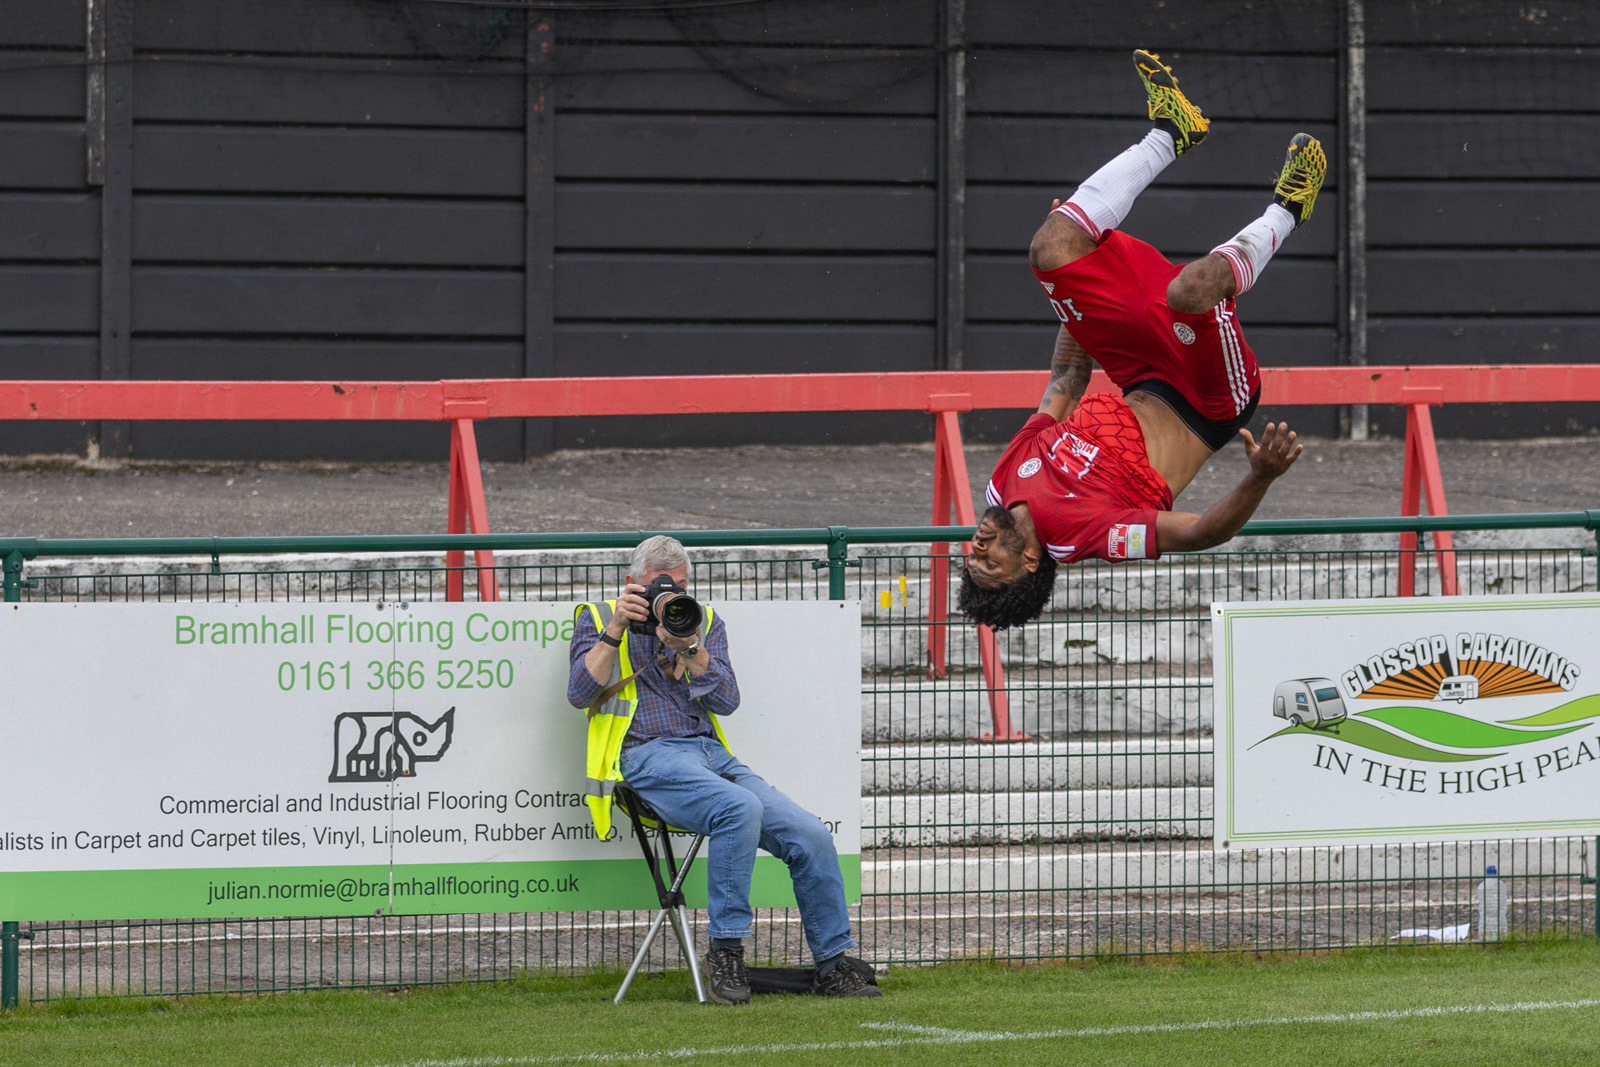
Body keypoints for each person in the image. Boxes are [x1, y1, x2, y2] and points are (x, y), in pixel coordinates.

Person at [960, 49, 1322, 630]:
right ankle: (1289, 209)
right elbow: (1201, 534)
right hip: (1208, 402)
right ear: (1029, 563)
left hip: (1140, 369)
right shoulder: (1084, 536)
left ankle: (1172, 129)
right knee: (1191, 291)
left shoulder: (1005, 481)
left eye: (969, 561)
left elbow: (1066, 382)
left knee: (1051, 248)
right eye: (991, 567)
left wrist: (1079, 296)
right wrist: (1259, 478)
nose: (976, 550)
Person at [567, 535, 880, 1003]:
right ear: (632, 585)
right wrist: (616, 628)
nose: (670, 597)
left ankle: (834, 964)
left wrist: (691, 649)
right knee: (738, 807)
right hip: (645, 756)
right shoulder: (595, 617)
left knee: (811, 833)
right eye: (659, 588)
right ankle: (727, 952)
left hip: (711, 754)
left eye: (681, 586)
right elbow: (578, 693)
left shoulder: (703, 621)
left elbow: (727, 702)